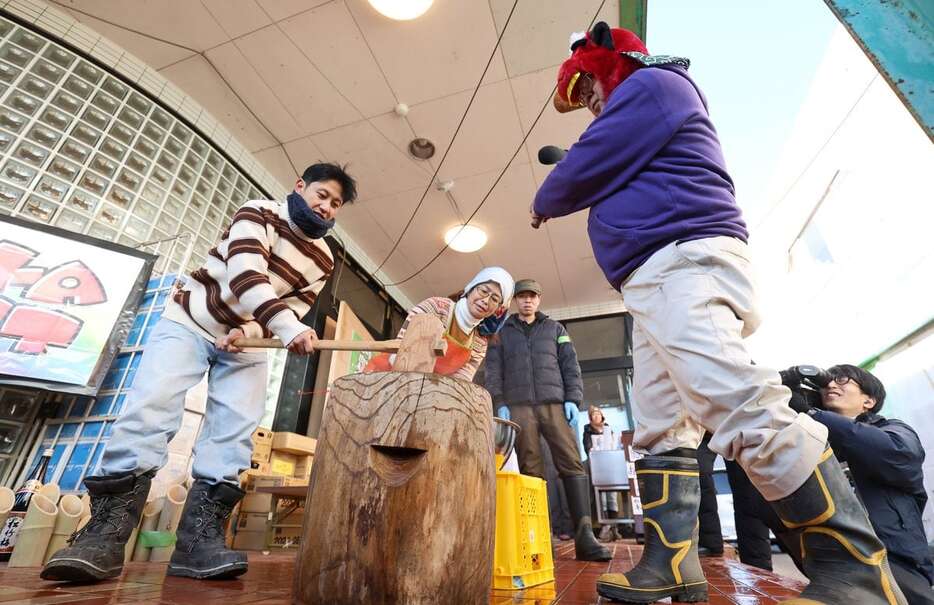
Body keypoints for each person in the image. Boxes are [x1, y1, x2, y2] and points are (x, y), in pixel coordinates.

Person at [532, 21, 906, 604]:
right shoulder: (640, 103)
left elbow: (585, 166)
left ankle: (854, 570)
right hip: (655, 276)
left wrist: (547, 195)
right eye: (579, 96)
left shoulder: (653, 84)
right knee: (662, 424)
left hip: (684, 260)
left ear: (607, 61)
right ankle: (670, 561)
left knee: (734, 398)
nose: (588, 102)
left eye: (587, 87)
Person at [42, 163, 357, 583]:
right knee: (151, 408)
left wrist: (250, 329)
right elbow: (246, 274)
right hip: (191, 319)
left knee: (235, 431)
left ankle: (197, 544)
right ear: (299, 187)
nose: (326, 207)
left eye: (335, 204)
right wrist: (286, 328)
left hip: (249, 340)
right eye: (321, 195)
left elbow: (297, 304)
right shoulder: (258, 212)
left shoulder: (324, 258)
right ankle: (104, 536)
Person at [785, 364, 933, 605]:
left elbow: (897, 455)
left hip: (895, 560)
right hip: (836, 563)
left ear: (869, 401)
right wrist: (783, 391)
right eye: (825, 383)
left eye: (842, 380)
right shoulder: (814, 440)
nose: (831, 385)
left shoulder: (894, 430)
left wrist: (814, 414)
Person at [485, 279, 610, 561]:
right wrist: (500, 402)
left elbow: (570, 366)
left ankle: (585, 537)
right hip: (519, 407)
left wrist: (572, 400)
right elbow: (493, 370)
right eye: (522, 297)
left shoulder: (556, 330)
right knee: (530, 467)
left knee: (571, 462)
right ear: (515, 301)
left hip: (554, 404)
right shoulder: (502, 333)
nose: (527, 301)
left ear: (539, 300)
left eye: (532, 296)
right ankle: (540, 536)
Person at [365, 267, 514, 381]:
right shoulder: (436, 307)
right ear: (470, 289)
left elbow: (460, 383)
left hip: (426, 393)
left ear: (497, 308)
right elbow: (401, 347)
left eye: (494, 299)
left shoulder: (480, 343)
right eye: (483, 291)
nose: (486, 301)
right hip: (386, 375)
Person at [583, 406, 620, 542]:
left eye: (598, 414)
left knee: (612, 497)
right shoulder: (587, 430)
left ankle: (614, 527)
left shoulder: (608, 428)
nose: (596, 416)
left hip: (611, 465)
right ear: (590, 417)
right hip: (597, 466)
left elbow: (614, 444)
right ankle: (606, 527)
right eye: (594, 414)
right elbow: (587, 447)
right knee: (602, 498)